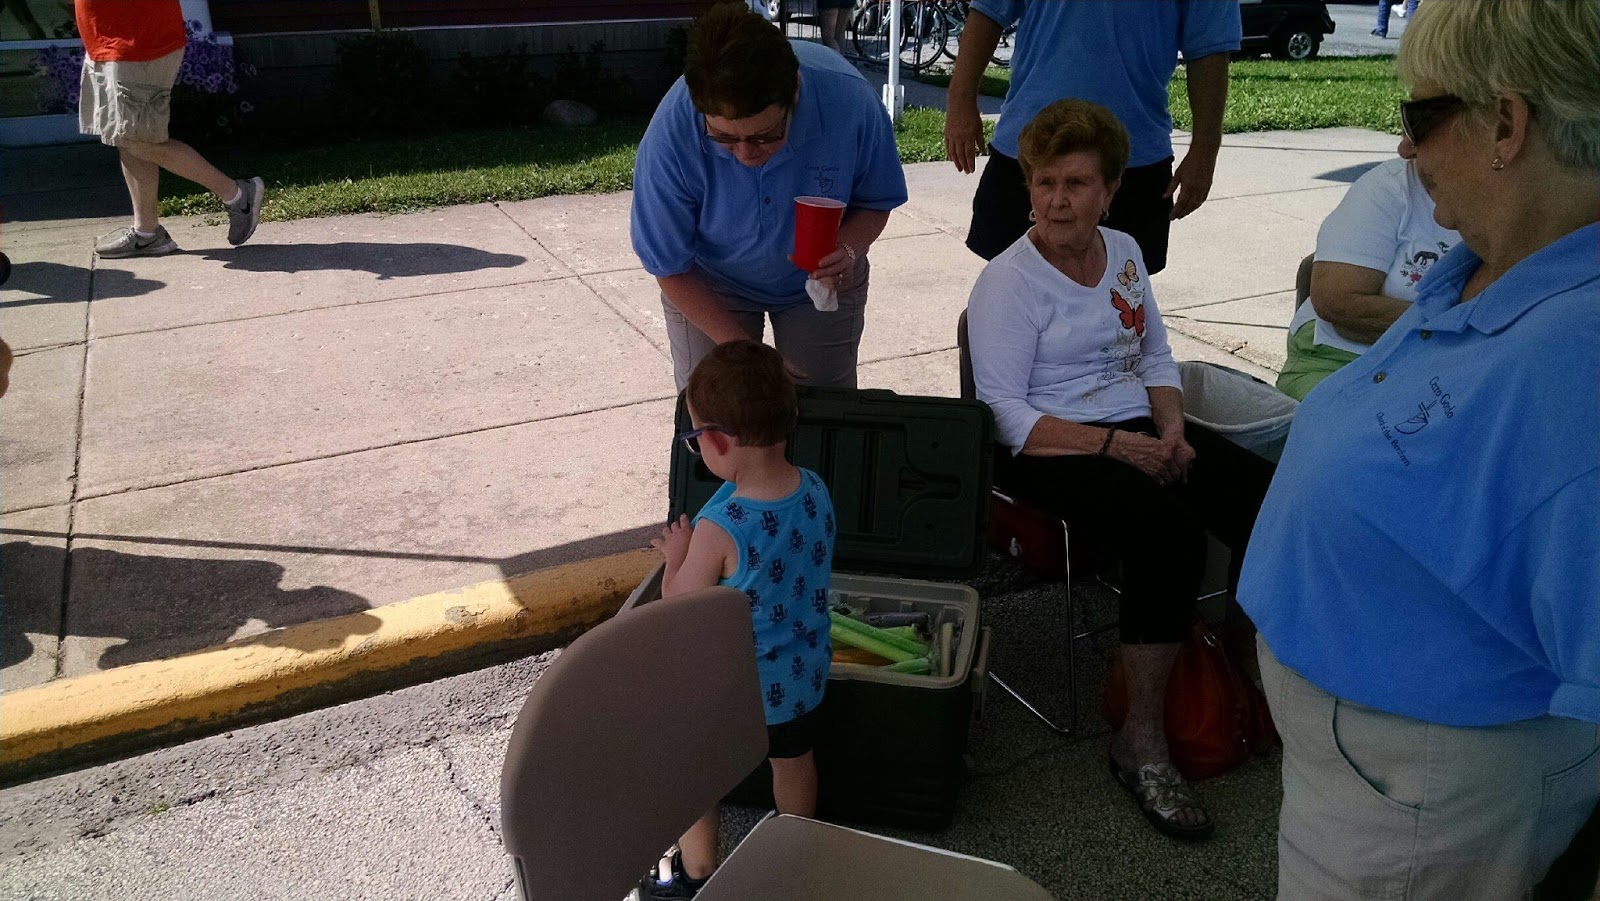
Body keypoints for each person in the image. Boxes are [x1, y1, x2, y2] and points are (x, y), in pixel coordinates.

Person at [1238, 2, 1599, 897]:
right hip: (1376, 774)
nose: (1405, 148)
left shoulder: (1581, 357)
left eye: (1419, 116)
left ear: (1508, 124)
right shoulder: (1494, 259)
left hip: (1423, 803)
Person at [965, 99, 1275, 841]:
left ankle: (1233, 671)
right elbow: (1001, 411)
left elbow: (1155, 355)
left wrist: (1171, 427)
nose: (1056, 200)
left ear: (1109, 190)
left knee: (1266, 495)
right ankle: (1140, 741)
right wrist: (1117, 448)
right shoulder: (1009, 282)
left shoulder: (1126, 253)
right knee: (1164, 534)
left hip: (1135, 424)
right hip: (1046, 444)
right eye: (1043, 183)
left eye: (1076, 183)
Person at [640, 340, 835, 900]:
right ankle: (799, 852)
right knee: (794, 763)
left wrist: (675, 556)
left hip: (735, 690)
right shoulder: (815, 489)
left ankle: (695, 876)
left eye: (696, 437)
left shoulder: (722, 523)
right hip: (802, 675)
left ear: (718, 441)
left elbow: (680, 601)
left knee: (696, 773)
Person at [631, 1, 907, 391]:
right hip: (711, 283)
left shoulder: (850, 102)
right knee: (721, 414)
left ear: (794, 90)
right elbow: (668, 264)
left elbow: (877, 200)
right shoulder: (672, 130)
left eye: (765, 135)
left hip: (818, 284)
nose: (745, 155)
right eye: (725, 138)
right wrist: (740, 348)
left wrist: (847, 250)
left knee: (824, 414)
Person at [944, 0, 1239, 272]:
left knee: (1120, 302)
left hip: (1131, 161)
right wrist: (960, 100)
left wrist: (1206, 147)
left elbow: (1209, 46)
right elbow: (988, 11)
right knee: (1007, 290)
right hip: (1031, 153)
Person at [74, 0, 263, 259]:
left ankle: (238, 195)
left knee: (139, 141)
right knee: (126, 138)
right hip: (105, 39)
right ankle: (147, 233)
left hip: (137, 42)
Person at [1275, 157, 1460, 400]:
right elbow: (1338, 303)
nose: (1405, 147)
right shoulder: (1390, 186)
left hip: (1441, 368)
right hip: (1340, 358)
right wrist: (1457, 324)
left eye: (1420, 129)